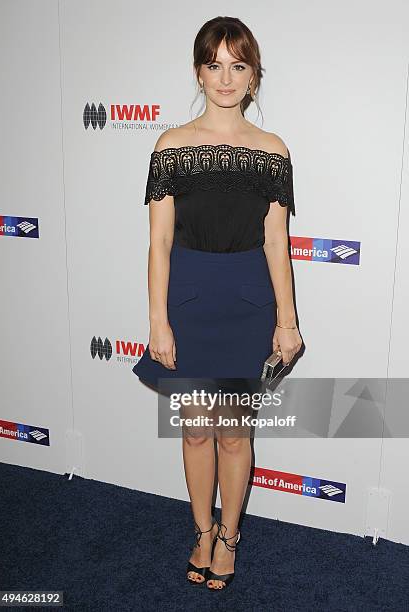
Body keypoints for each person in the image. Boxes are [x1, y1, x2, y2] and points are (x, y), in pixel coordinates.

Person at [132, 16, 303, 590]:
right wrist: (158, 319)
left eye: (238, 65)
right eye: (214, 64)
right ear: (198, 71)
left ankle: (229, 536)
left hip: (248, 300)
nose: (225, 77)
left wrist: (287, 320)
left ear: (253, 77)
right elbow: (158, 242)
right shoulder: (171, 146)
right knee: (195, 431)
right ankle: (201, 530)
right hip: (190, 299)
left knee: (234, 432)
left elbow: (277, 243)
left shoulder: (273, 151)